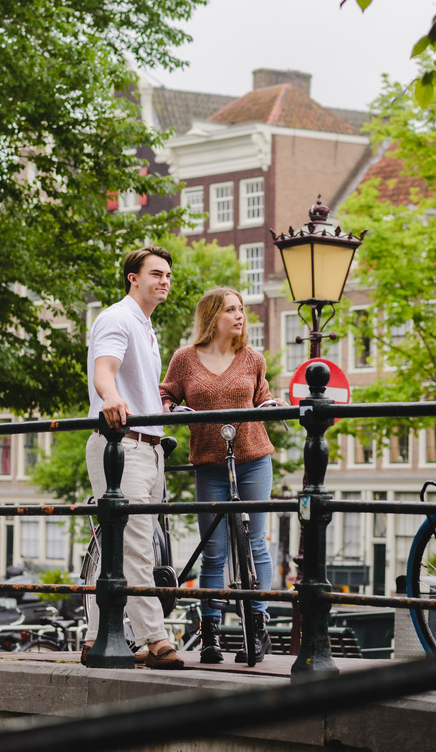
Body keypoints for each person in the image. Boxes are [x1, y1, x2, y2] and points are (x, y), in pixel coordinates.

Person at [160, 287, 282, 664]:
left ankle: (257, 627)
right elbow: (165, 394)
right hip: (210, 464)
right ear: (213, 316)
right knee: (213, 552)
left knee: (255, 543)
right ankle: (209, 632)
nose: (240, 315)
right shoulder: (185, 359)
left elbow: (262, 397)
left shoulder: (252, 358)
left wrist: (271, 405)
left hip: (253, 460)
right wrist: (173, 410)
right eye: (231, 309)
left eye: (241, 309)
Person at [82, 246, 183, 669]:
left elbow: (131, 377)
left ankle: (92, 637)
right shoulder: (118, 318)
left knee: (114, 546)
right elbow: (104, 368)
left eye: (167, 276)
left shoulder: (145, 327)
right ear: (132, 278)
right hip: (123, 445)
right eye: (156, 274)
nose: (164, 281)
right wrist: (111, 398)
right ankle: (155, 639)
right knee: (138, 544)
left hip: (148, 446)